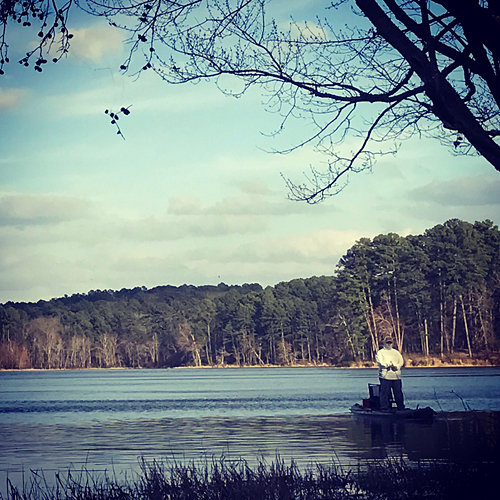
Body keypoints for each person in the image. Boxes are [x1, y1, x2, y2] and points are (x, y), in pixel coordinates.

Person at [375, 336, 405, 411]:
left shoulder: (396, 352)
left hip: (396, 377)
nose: (389, 344)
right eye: (387, 342)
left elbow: (401, 362)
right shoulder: (380, 353)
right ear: (384, 343)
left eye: (390, 342)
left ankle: (400, 407)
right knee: (385, 393)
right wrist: (388, 365)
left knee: (398, 393)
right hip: (385, 377)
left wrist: (396, 367)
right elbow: (380, 362)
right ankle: (384, 408)